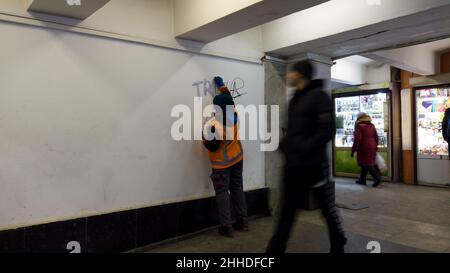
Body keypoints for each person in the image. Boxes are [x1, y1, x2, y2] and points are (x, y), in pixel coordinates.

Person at [266, 60, 347, 254]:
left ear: (300, 74)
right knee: (286, 213)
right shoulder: (295, 99)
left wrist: (303, 147)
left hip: (314, 165)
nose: (288, 76)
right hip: (294, 166)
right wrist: (286, 146)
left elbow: (327, 130)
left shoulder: (319, 97)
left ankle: (338, 240)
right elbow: (294, 131)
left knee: (326, 209)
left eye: (291, 72)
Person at [202, 76, 248, 238]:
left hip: (221, 164)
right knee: (237, 189)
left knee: (222, 193)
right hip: (237, 158)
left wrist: (204, 133)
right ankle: (242, 221)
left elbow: (210, 145)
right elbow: (228, 98)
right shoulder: (234, 114)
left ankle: (226, 226)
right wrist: (221, 85)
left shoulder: (215, 125)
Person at [351, 113, 381, 187]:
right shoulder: (371, 125)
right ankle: (362, 180)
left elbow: (357, 139)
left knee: (367, 164)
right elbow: (376, 136)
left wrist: (353, 150)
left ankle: (377, 178)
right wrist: (376, 146)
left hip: (363, 147)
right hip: (372, 145)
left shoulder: (359, 126)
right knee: (364, 164)